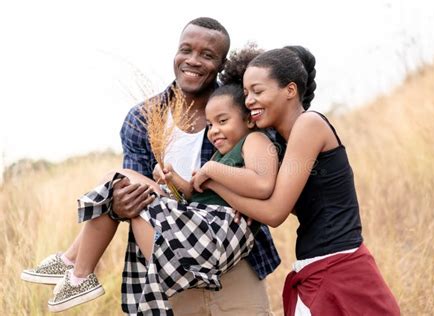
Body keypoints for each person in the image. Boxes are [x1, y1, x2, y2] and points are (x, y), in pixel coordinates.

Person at [21, 71, 279, 314]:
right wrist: (172, 178)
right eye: (211, 124)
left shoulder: (253, 140)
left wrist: (211, 169)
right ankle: (76, 266)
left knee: (122, 180)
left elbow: (263, 184)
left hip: (221, 234)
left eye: (222, 121)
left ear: (247, 119)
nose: (214, 131)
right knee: (118, 181)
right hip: (201, 230)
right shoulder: (151, 120)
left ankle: (77, 269)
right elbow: (194, 192)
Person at [198, 46, 401, 315]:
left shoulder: (309, 125)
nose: (249, 101)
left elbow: (274, 212)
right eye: (246, 94)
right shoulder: (282, 143)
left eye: (258, 91)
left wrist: (213, 178)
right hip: (317, 268)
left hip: (341, 270)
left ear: (290, 90)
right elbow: (268, 198)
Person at [113, 17, 280, 315]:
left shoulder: (241, 107)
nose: (193, 61)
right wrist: (122, 204)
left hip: (236, 263)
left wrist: (228, 186)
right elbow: (136, 197)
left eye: (207, 55)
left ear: (222, 63)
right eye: (186, 50)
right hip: (169, 269)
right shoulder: (142, 119)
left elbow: (265, 178)